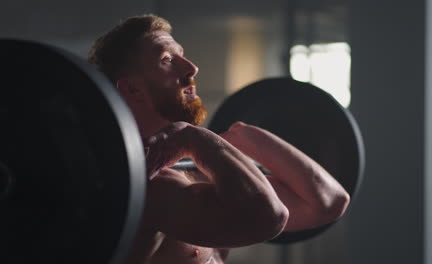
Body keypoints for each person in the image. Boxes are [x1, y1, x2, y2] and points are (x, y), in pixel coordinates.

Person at [88, 14, 350, 264]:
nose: (191, 68)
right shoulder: (148, 184)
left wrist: (251, 138)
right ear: (133, 88)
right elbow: (270, 217)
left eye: (182, 55)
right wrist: (197, 139)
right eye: (168, 59)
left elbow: (328, 202)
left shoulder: (195, 169)